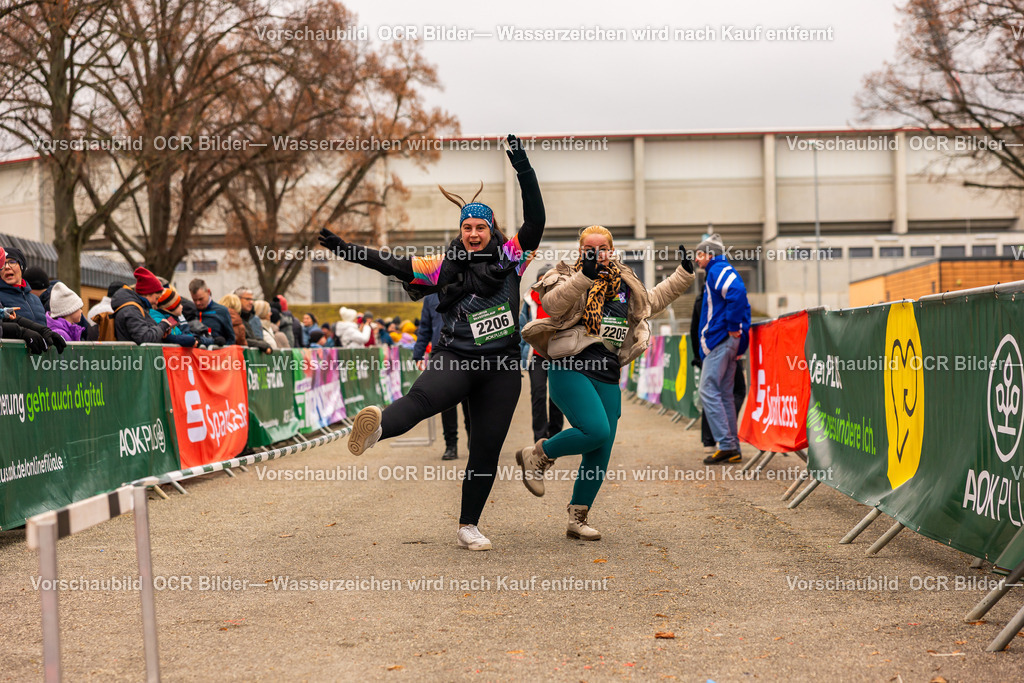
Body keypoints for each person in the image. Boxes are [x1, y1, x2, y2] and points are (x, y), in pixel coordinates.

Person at [318, 133, 542, 551]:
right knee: (421, 401)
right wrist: (348, 250)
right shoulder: (443, 265)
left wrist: (523, 169)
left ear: (491, 230)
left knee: (485, 450)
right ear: (460, 231)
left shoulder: (511, 257)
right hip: (456, 358)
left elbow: (535, 222)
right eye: (467, 227)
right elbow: (393, 264)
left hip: (502, 368)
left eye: (480, 227)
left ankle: (468, 526)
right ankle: (377, 428)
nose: (473, 233)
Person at [516, 227, 694, 541]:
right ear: (580, 250)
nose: (596, 253)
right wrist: (584, 276)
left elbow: (651, 302)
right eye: (589, 248)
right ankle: (539, 454)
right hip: (569, 364)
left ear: (611, 251)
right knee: (596, 430)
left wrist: (683, 274)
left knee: (601, 448)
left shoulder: (625, 281)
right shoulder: (563, 275)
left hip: (608, 371)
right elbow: (554, 305)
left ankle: (578, 517)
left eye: (602, 248)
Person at [693, 233, 751, 464]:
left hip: (720, 339)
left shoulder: (718, 269)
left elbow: (737, 293)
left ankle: (727, 445)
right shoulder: (719, 269)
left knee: (708, 390)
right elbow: (737, 295)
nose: (696, 259)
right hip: (726, 339)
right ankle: (732, 447)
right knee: (725, 394)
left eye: (699, 254)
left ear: (710, 254)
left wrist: (733, 326)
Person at [690, 281, 747, 459]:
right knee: (720, 393)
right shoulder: (713, 297)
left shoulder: (710, 295)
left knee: (715, 393)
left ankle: (725, 443)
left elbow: (695, 329)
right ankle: (727, 443)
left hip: (716, 346)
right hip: (719, 345)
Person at [413, 292, 472, 461]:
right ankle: (451, 445)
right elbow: (425, 328)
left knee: (470, 402)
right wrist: (418, 354)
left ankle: (474, 442)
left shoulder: (468, 289)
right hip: (440, 354)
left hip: (467, 352)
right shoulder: (430, 297)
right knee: (446, 404)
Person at [520, 265, 564, 442]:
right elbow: (521, 328)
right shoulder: (529, 300)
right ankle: (539, 438)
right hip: (536, 357)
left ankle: (555, 436)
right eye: (541, 279)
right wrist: (519, 357)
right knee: (538, 395)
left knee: (557, 396)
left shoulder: (562, 298)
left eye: (548, 279)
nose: (544, 282)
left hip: (557, 356)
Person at [112, 267, 196, 346]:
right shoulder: (132, 310)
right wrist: (163, 326)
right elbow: (145, 338)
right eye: (156, 298)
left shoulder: (137, 308)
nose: (156, 302)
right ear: (147, 294)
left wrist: (162, 329)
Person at [0, 247, 47, 325]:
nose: (7, 267)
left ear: (21, 266)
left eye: (12, 262)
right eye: (2, 263)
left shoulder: (36, 299)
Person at [189, 279, 235, 345]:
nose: (198, 303)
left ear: (208, 292)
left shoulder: (222, 311)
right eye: (194, 300)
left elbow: (231, 338)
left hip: (217, 351)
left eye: (201, 299)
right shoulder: (190, 311)